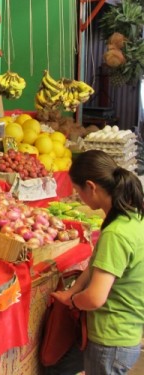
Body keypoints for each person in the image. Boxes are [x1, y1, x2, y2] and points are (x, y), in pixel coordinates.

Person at [45, 149, 144, 375]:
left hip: (111, 340)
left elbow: (95, 298)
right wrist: (73, 291)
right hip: (126, 333)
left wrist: (75, 301)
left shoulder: (116, 233)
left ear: (91, 186)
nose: (77, 196)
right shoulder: (134, 217)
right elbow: (97, 265)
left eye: (78, 190)